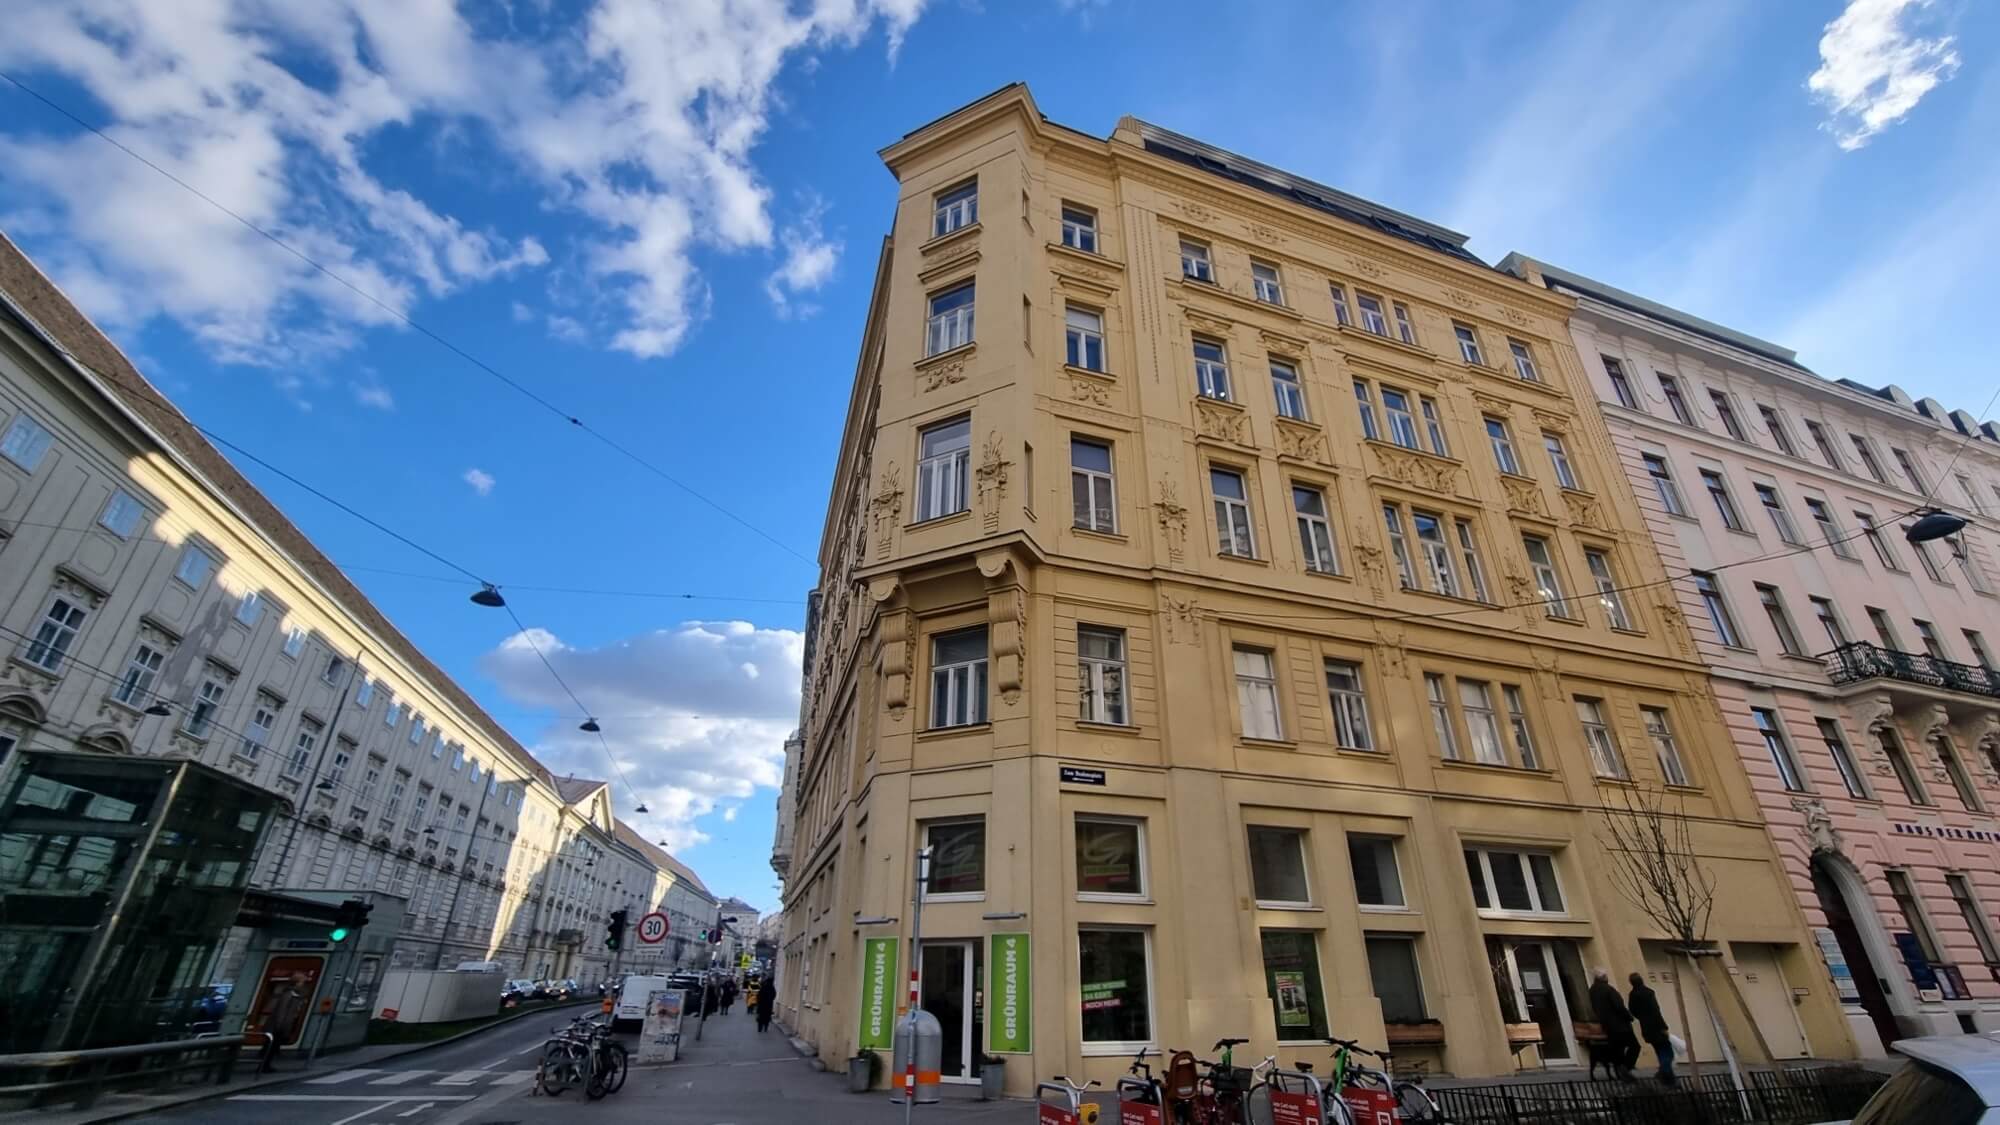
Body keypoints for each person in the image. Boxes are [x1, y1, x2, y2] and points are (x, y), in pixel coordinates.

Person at [1588, 967, 1640, 1080]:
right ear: (1604, 977)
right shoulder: (1609, 990)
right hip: (1620, 1025)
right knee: (1634, 1046)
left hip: (1607, 1026)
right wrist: (1629, 1016)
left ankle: (1620, 1072)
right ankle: (1625, 1069)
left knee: (1618, 1050)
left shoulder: (1592, 991)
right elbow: (1618, 1006)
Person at [255, 973, 311, 1074]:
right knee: (271, 1047)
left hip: (281, 1024)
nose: (303, 984)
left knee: (272, 1047)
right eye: (302, 982)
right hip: (277, 1025)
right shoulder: (288, 994)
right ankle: (263, 1066)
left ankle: (265, 1065)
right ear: (297, 983)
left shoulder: (294, 994)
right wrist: (280, 1025)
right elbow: (281, 1010)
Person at [1628, 972, 1675, 1085]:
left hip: (1646, 1027)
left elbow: (1632, 1010)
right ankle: (1665, 1072)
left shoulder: (1633, 995)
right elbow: (1655, 1010)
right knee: (1667, 1051)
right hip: (1657, 1026)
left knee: (1659, 1050)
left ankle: (1667, 1076)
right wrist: (1663, 1026)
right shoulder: (1648, 993)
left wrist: (1642, 1018)